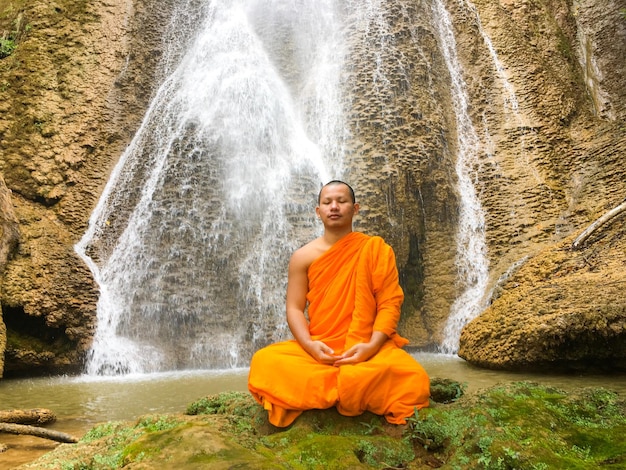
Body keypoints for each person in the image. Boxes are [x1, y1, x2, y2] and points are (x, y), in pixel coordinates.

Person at [248, 180, 430, 427]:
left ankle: (333, 387)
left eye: (341, 201)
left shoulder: (375, 249)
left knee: (414, 378)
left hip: (367, 347)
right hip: (321, 347)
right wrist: (310, 346)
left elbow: (389, 303)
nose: (334, 207)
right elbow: (293, 308)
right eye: (327, 202)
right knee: (265, 360)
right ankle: (350, 385)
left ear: (355, 208)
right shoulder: (303, 257)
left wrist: (372, 346)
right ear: (318, 211)